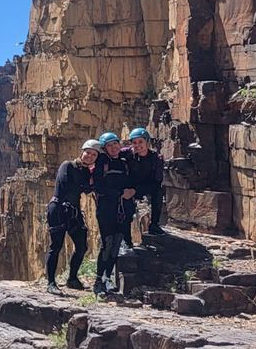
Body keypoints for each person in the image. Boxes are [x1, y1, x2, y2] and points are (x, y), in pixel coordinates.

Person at [44, 139, 100, 296]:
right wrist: (88, 182)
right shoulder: (67, 165)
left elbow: (88, 189)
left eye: (94, 154)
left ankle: (72, 278)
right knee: (56, 246)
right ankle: (50, 283)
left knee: (81, 246)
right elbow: (66, 184)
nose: (90, 156)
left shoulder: (85, 172)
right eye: (88, 152)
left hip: (73, 211)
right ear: (82, 152)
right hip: (58, 209)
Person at [92, 131, 135, 296]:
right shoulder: (102, 162)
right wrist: (120, 193)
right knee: (107, 243)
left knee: (117, 243)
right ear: (104, 149)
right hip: (106, 210)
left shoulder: (124, 162)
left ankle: (107, 277)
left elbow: (132, 181)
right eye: (109, 145)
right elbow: (98, 186)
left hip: (123, 210)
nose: (113, 147)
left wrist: (132, 191)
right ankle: (98, 281)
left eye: (115, 143)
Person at [126, 127, 165, 235]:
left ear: (147, 142)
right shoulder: (128, 154)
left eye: (140, 142)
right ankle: (125, 230)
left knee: (158, 192)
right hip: (130, 185)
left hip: (148, 186)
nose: (137, 145)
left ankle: (154, 225)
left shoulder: (156, 158)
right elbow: (113, 154)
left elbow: (157, 181)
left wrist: (136, 190)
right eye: (134, 142)